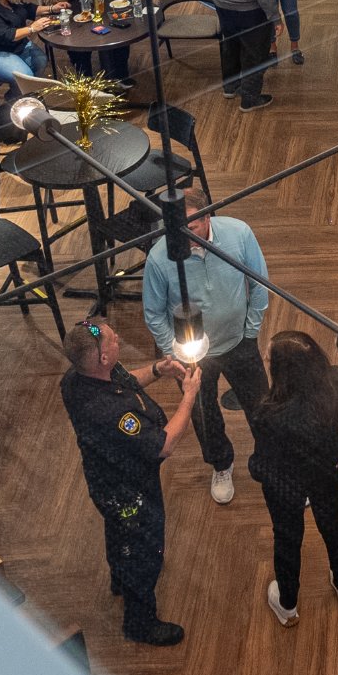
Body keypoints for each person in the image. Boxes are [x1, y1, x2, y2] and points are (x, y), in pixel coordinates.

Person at [58, 317, 201, 646]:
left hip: (108, 484)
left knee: (119, 532)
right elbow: (163, 445)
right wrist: (189, 396)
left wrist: (158, 370)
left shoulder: (78, 379)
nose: (117, 337)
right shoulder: (107, 412)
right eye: (111, 339)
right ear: (103, 358)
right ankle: (140, 622)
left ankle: (119, 577)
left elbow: (124, 382)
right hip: (128, 492)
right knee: (143, 549)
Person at [141, 187, 271, 506]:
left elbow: (260, 285)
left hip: (240, 342)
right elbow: (153, 313)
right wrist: (176, 352)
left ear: (208, 216)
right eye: (177, 227)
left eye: (192, 225)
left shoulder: (238, 234)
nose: (184, 234)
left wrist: (251, 331)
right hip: (192, 354)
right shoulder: (160, 257)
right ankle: (221, 465)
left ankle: (274, 461)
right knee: (203, 414)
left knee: (262, 406)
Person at [248, 331, 338, 624]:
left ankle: (288, 604)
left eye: (270, 358)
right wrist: (330, 434)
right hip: (329, 473)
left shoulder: (268, 412)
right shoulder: (337, 380)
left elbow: (261, 465)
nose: (266, 360)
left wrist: (254, 468)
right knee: (335, 525)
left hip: (287, 486)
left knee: (288, 538)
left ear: (284, 370)